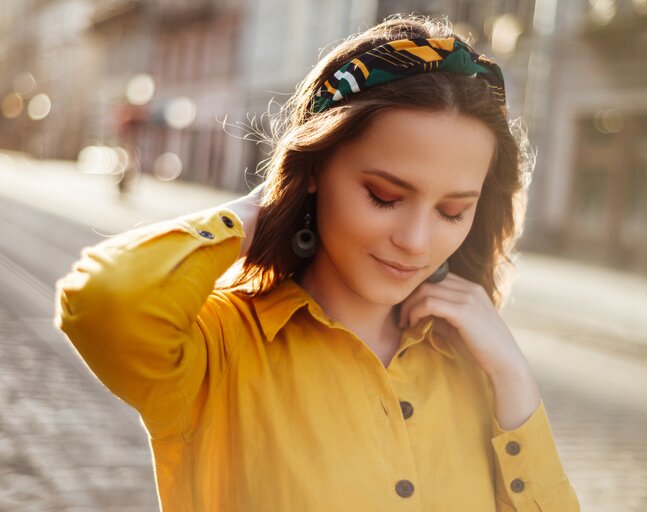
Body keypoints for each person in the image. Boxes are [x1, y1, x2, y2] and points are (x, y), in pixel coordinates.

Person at [54, 14, 580, 512]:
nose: (417, 241)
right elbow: (104, 300)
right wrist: (256, 211)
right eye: (383, 196)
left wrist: (513, 377)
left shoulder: (477, 364)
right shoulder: (219, 347)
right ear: (315, 169)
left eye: (452, 210)